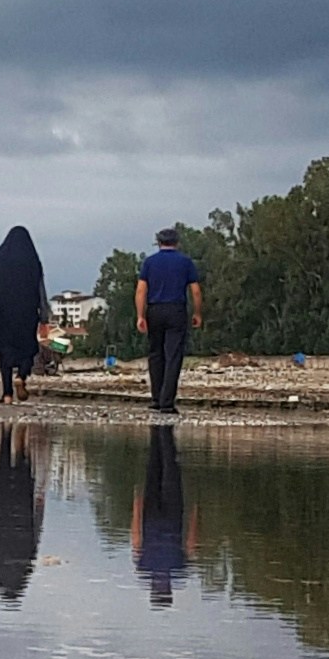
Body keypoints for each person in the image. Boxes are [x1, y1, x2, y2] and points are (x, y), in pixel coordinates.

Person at [134, 226, 202, 413]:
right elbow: (195, 291)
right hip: (176, 309)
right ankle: (167, 402)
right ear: (177, 242)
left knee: (156, 354)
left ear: (158, 242)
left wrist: (140, 315)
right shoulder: (185, 262)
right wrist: (197, 313)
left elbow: (141, 290)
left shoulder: (149, 262)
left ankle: (156, 398)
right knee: (173, 356)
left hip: (154, 310)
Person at [0, 423, 42, 604]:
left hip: (18, 507)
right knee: (3, 469)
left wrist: (38, 508)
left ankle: (16, 439)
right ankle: (7, 435)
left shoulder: (25, 562)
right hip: (1, 507)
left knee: (20, 469)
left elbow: (35, 533)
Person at [0, 225, 48, 403]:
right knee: (28, 351)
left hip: (2, 316)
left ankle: (7, 394)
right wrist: (44, 318)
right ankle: (21, 377)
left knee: (5, 355)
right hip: (26, 315)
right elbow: (40, 291)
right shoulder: (32, 261)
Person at [130, 426, 191, 605]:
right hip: (152, 519)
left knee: (170, 468)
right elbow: (135, 539)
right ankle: (158, 432)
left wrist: (194, 515)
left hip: (171, 519)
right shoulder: (144, 569)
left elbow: (190, 543)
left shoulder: (178, 570)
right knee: (155, 470)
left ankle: (163, 432)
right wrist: (136, 507)